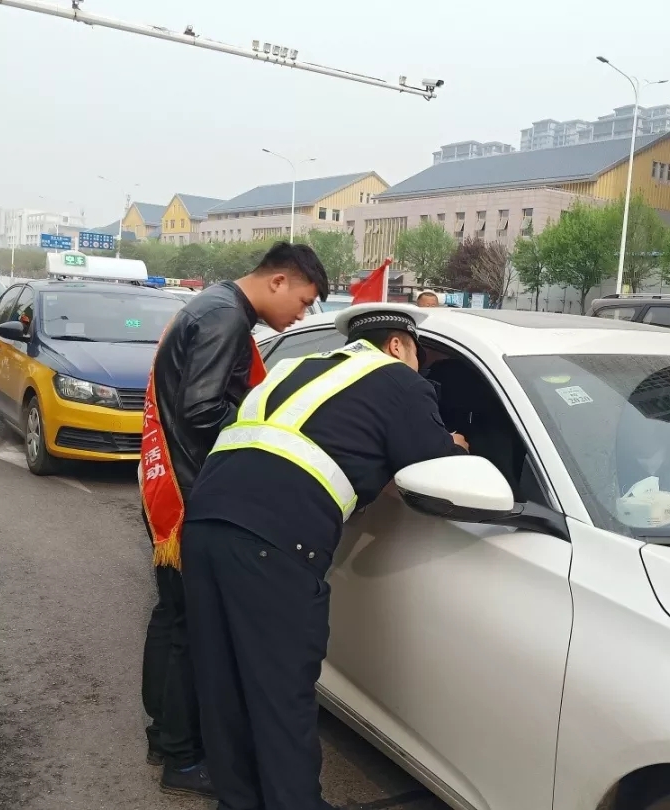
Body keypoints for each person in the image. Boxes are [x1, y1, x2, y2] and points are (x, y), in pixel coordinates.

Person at [181, 305, 469, 810]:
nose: (420, 369)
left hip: (204, 524)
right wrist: (455, 445)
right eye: (419, 357)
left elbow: (328, 443)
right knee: (282, 696)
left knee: (222, 685)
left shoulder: (297, 368)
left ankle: (238, 801)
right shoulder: (398, 380)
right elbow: (436, 470)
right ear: (398, 345)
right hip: (273, 544)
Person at [139, 241, 328, 799]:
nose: (303, 315)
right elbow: (202, 409)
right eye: (304, 300)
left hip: (176, 483)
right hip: (195, 490)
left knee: (173, 619)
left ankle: (165, 738)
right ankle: (182, 756)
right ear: (278, 281)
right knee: (191, 632)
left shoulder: (214, 305)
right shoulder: (225, 317)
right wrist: (268, 434)